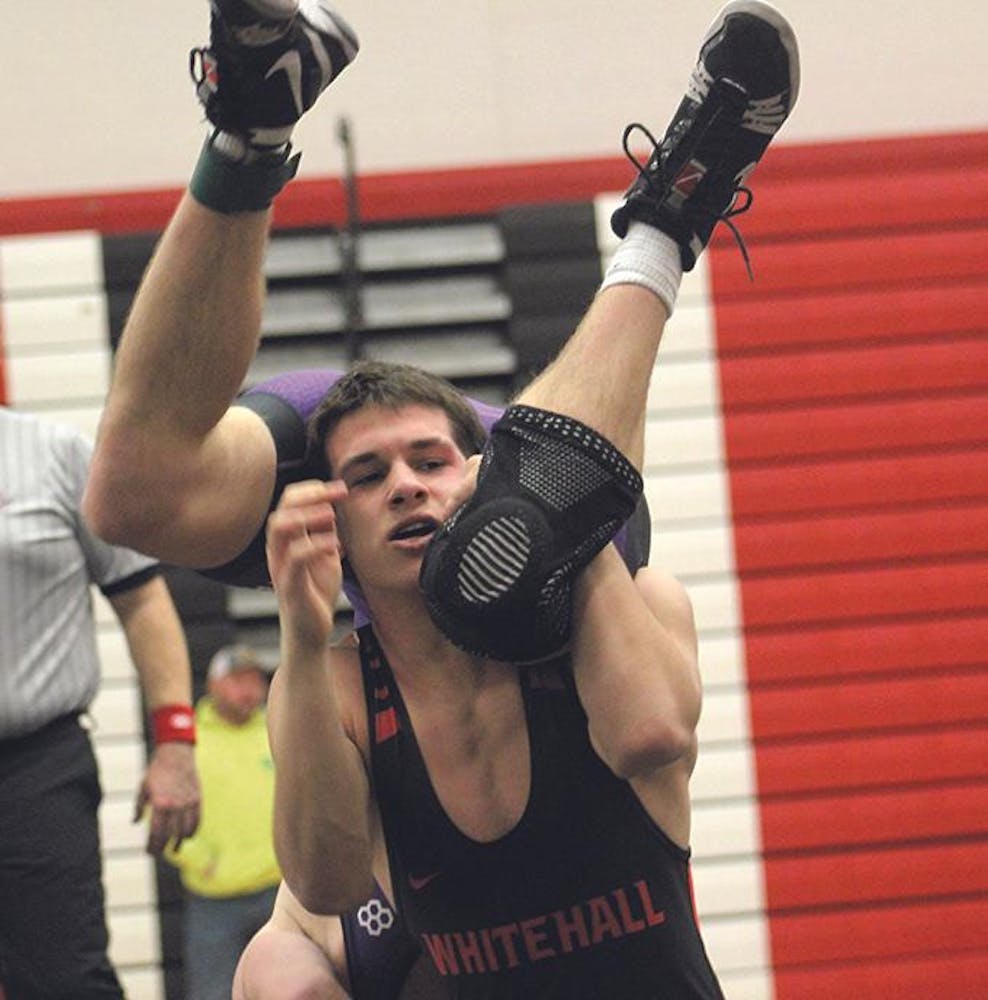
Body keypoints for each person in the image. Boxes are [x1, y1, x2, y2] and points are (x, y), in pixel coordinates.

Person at [82, 0, 800, 994]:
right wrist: (299, 631)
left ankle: (668, 216)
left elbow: (650, 733)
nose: (404, 487)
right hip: (432, 463)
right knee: (124, 499)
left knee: (516, 549)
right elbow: (323, 882)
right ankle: (251, 123)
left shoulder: (600, 579)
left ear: (463, 468)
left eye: (425, 468)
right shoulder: (340, 680)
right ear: (332, 512)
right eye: (372, 480)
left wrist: (556, 515)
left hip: (540, 476)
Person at [0, 406, 201, 999]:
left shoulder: (54, 454)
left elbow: (142, 601)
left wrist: (176, 742)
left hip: (35, 770)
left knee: (65, 981)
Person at [164, 644, 281, 1000]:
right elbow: (163, 815)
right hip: (214, 900)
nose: (249, 690)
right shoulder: (187, 744)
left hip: (279, 892)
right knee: (212, 993)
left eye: (255, 680)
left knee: (289, 988)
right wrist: (203, 862)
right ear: (213, 685)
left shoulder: (279, 731)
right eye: (237, 681)